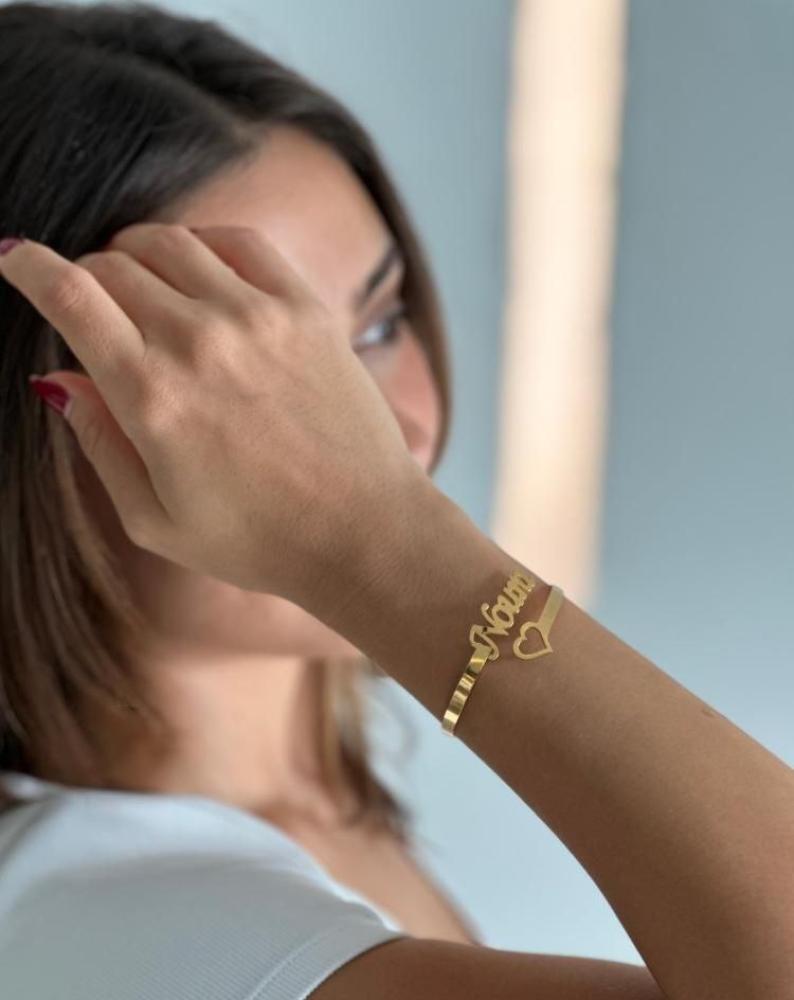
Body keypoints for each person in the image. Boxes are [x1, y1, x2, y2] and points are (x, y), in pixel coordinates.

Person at [0, 4, 792, 1000]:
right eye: (235, 377)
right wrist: (386, 544)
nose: (376, 438)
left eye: (376, 327)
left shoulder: (321, 813)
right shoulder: (123, 926)